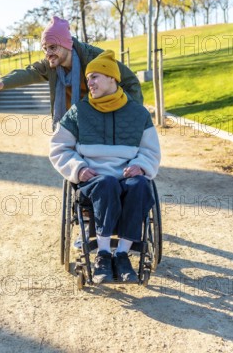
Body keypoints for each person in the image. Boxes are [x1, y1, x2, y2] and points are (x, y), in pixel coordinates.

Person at [49, 49, 160, 284]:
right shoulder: (78, 112)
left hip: (127, 177)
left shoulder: (138, 114)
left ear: (112, 78)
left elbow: (150, 151)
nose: (89, 82)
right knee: (107, 183)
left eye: (95, 77)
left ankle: (122, 254)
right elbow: (59, 148)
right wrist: (78, 169)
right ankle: (102, 254)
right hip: (94, 180)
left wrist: (141, 166)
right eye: (88, 78)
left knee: (141, 184)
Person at [0, 16, 144, 127]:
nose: (48, 53)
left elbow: (130, 81)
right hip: (70, 124)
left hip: (102, 120)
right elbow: (28, 72)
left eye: (52, 47)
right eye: (45, 48)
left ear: (66, 44)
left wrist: (131, 116)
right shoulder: (52, 65)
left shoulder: (95, 58)